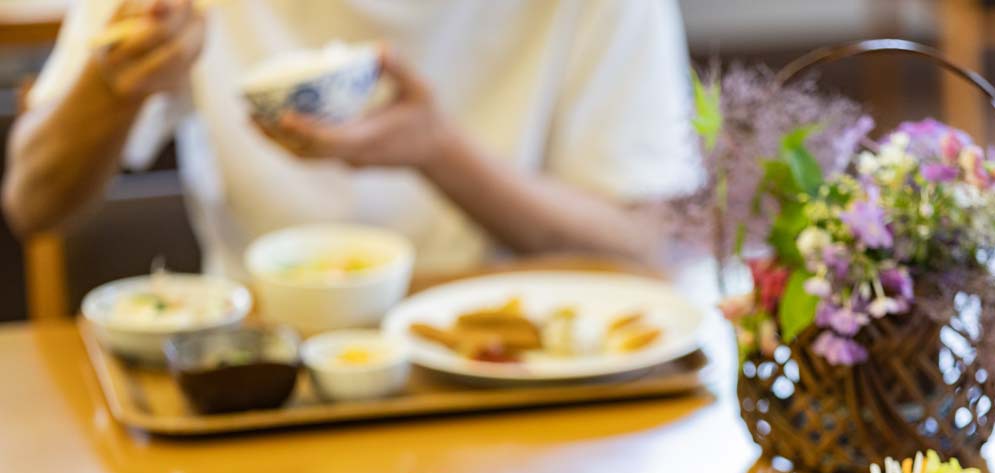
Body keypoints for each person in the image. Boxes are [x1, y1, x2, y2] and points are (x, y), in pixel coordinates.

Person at [4, 0, 699, 278]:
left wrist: (439, 152)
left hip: (529, 376)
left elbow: (639, 243)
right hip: (264, 375)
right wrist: (115, 79)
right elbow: (33, 201)